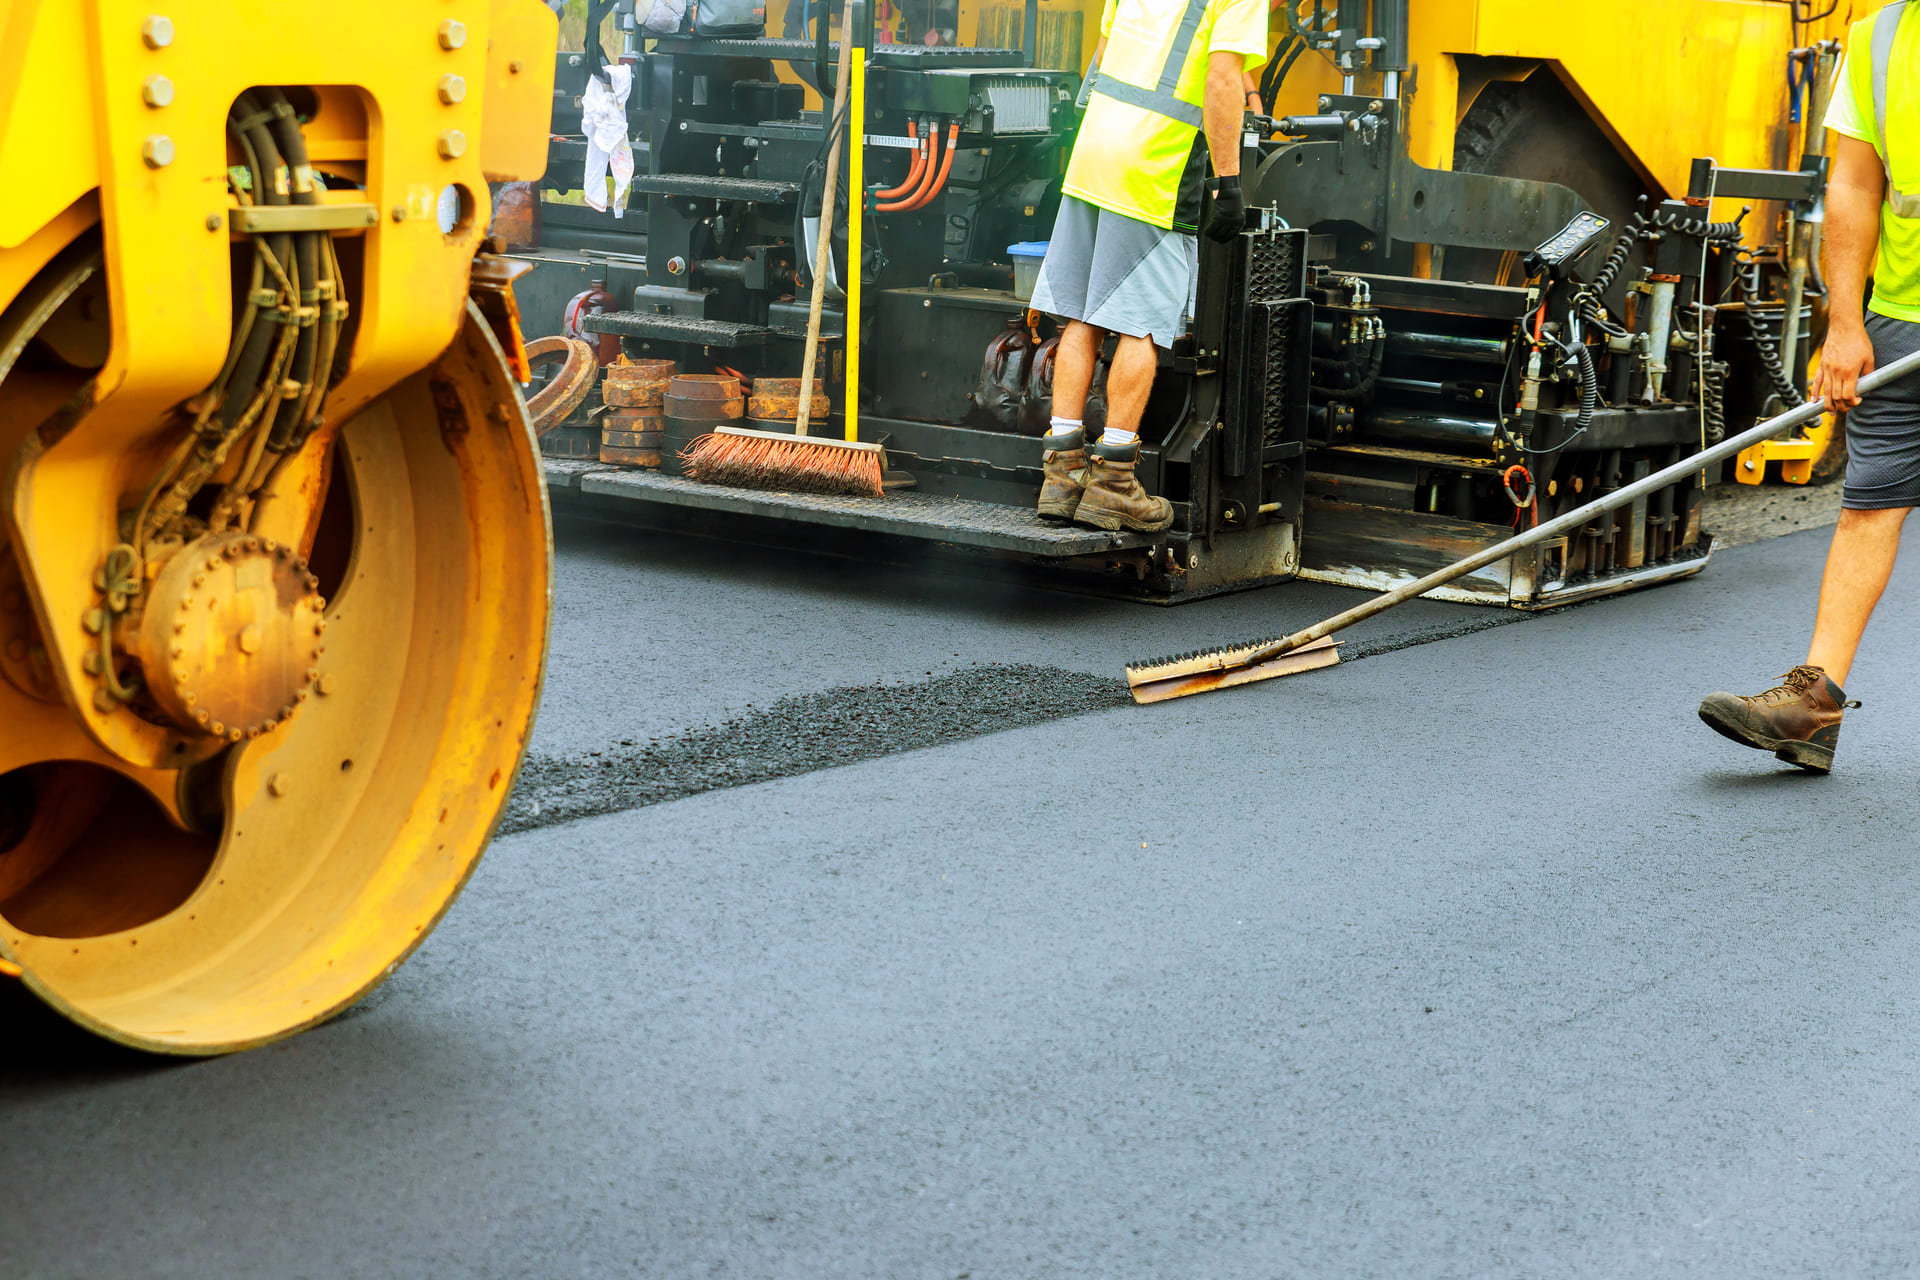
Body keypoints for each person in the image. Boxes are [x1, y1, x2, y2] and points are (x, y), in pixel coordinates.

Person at [1698, 3, 1920, 772]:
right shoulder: (1883, 35)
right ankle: (1813, 706)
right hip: (1901, 317)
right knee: (1870, 502)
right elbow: (1857, 185)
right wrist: (1847, 322)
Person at [1026, 0, 1269, 532]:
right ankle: (1114, 482)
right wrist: (1229, 181)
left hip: (1092, 154)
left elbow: (1105, 52)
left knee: (1080, 316)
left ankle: (1062, 473)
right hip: (1156, 168)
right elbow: (1221, 81)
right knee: (1142, 325)